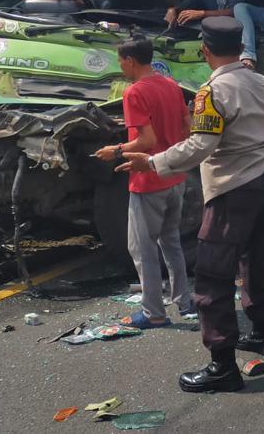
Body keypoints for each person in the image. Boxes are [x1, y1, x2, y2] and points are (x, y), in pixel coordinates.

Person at [116, 17, 264, 394]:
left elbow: (201, 145)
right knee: (254, 263)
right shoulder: (262, 81)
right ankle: (263, 333)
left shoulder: (213, 90)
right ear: (240, 49)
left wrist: (153, 162)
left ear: (205, 51)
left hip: (233, 188)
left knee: (211, 276)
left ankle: (222, 365)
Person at [95, 38, 194, 329]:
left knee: (142, 249)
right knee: (172, 242)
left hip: (148, 179)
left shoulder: (134, 93)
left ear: (130, 60)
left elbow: (147, 141)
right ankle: (184, 302)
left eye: (120, 61)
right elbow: (187, 128)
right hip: (175, 175)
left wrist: (114, 151)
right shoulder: (171, 85)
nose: (119, 66)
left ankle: (154, 313)